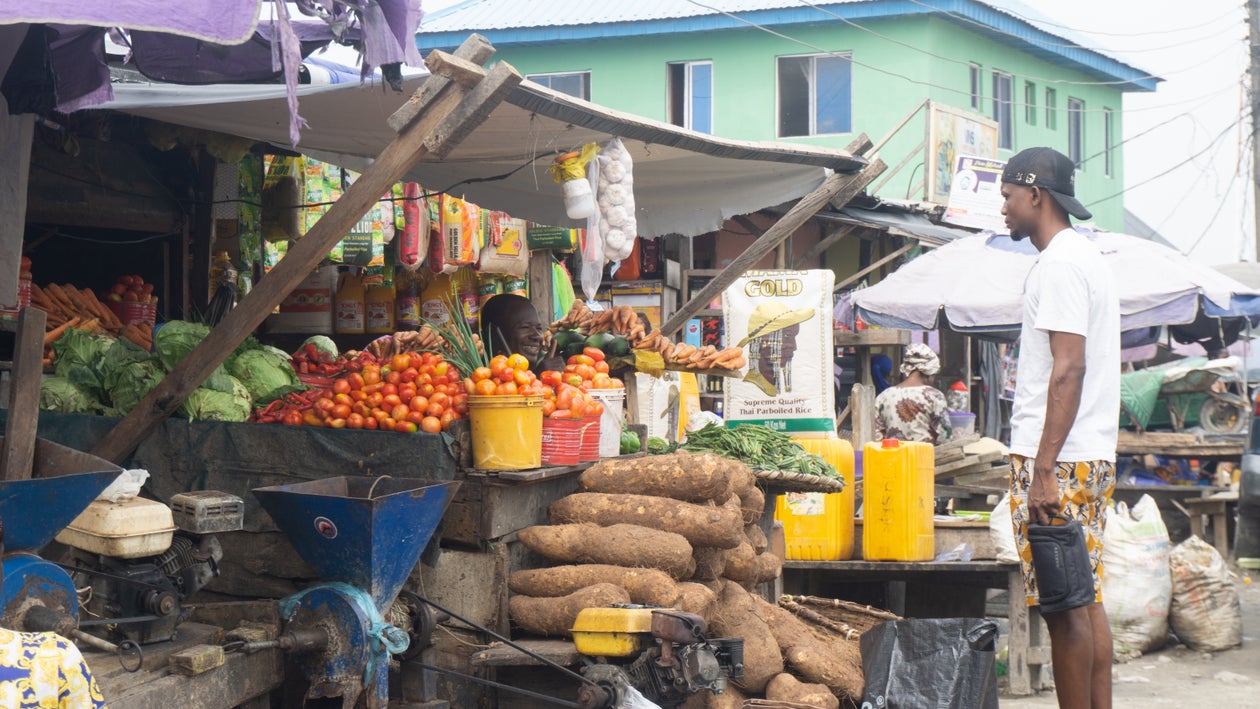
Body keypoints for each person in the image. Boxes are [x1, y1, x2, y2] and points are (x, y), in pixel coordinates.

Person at [1001, 147, 1119, 709]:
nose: (1003, 209)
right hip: (1085, 455)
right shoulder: (1085, 257)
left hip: (1058, 461)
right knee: (1085, 599)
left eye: (1007, 197)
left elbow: (1068, 369)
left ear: (1035, 194)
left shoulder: (1062, 264)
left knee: (1063, 609)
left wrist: (1043, 468)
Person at [872, 343, 950, 444]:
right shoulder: (934, 396)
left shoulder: (884, 397)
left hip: (892, 458)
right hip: (924, 458)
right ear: (929, 372)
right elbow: (945, 437)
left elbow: (877, 436)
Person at [737, 302, 815, 397]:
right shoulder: (750, 387)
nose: (794, 347)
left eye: (793, 337)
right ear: (763, 341)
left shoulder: (772, 385)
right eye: (787, 336)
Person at [478, 293, 564, 372]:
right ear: (494, 335)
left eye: (539, 328)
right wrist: (539, 378)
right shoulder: (478, 375)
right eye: (525, 327)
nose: (537, 336)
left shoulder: (542, 366)